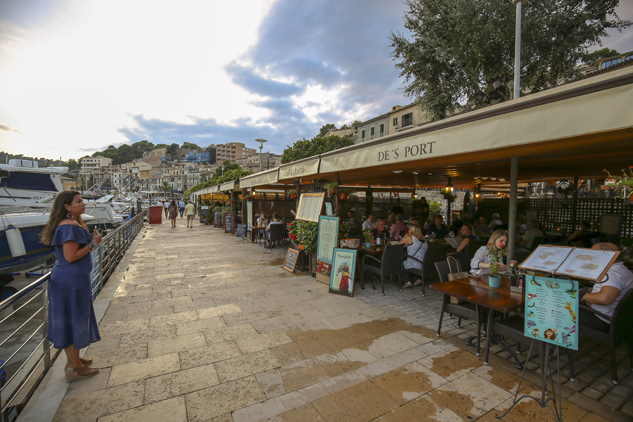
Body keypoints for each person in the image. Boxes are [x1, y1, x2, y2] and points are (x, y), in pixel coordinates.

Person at [40, 191, 101, 382]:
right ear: (67, 206)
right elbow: (70, 256)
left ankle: (73, 359)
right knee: (74, 317)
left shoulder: (68, 224)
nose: (83, 204)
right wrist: (94, 243)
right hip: (71, 281)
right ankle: (74, 368)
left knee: (70, 317)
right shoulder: (69, 227)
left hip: (69, 279)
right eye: (79, 201)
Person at [580, 243, 633, 331]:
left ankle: (558, 341)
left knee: (558, 309)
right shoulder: (623, 270)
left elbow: (605, 299)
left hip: (603, 319)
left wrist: (581, 294)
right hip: (618, 319)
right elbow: (609, 289)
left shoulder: (613, 274)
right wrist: (588, 290)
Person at [399, 224, 427, 289]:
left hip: (415, 263)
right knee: (409, 258)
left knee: (401, 259)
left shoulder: (410, 238)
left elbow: (398, 246)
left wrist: (404, 238)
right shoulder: (424, 239)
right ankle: (417, 279)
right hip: (423, 263)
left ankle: (407, 281)